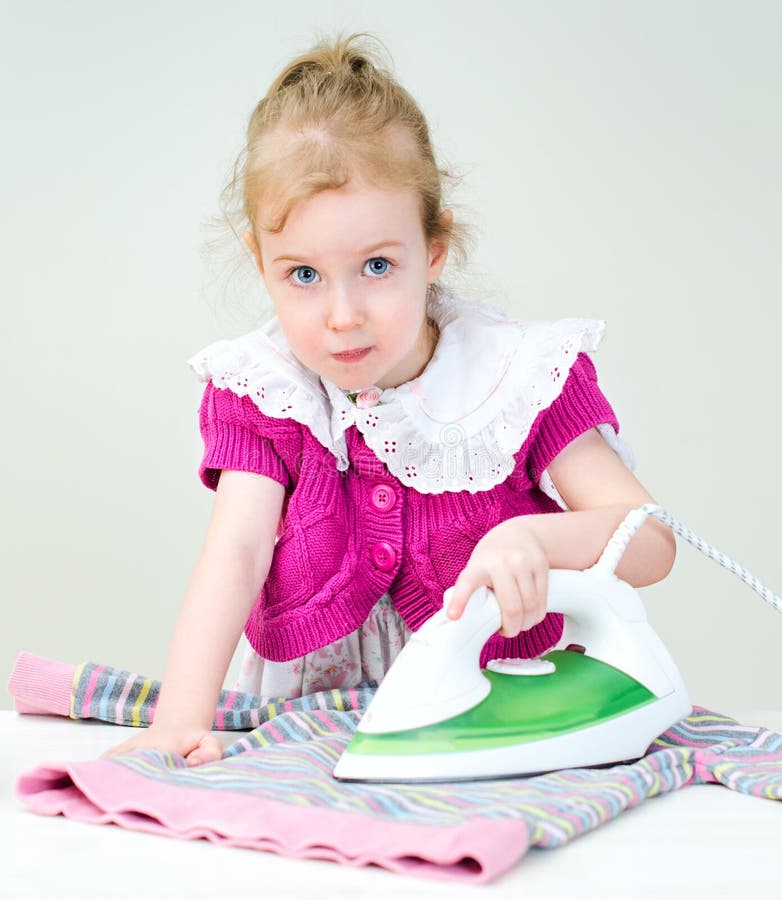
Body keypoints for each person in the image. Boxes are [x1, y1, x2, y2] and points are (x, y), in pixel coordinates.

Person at [103, 32, 675, 765]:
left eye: (376, 265)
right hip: (306, 720)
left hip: (489, 704)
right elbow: (238, 551)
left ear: (433, 250)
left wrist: (535, 540)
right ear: (260, 262)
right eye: (303, 275)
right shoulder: (264, 393)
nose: (342, 315)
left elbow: (649, 540)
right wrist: (180, 721)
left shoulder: (520, 377)